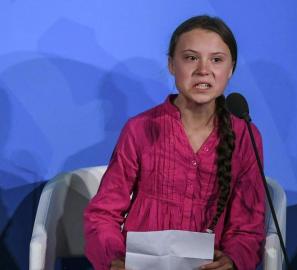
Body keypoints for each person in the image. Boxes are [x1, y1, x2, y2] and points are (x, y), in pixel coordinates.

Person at [84, 15, 266, 270]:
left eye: (216, 59)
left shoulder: (245, 135)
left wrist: (234, 260)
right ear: (171, 64)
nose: (203, 69)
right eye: (191, 58)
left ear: (231, 68)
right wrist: (114, 260)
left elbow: (248, 225)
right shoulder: (140, 129)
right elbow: (102, 214)